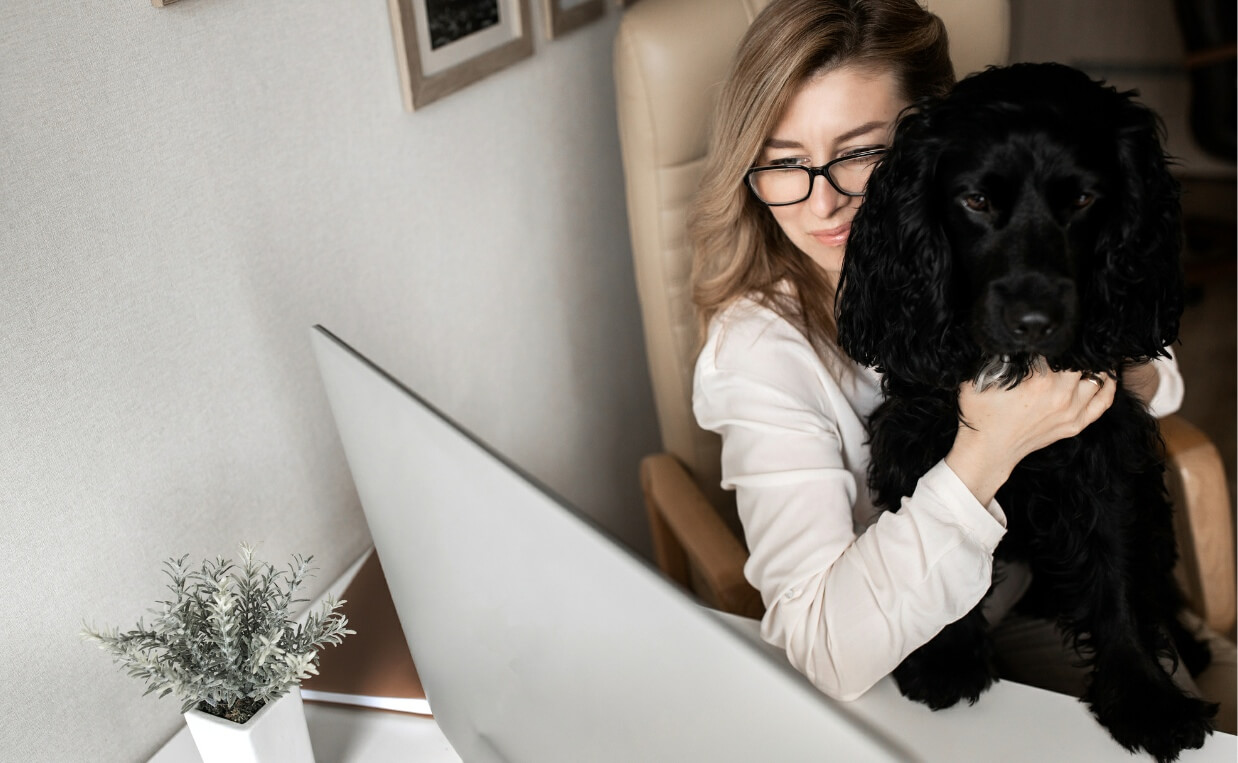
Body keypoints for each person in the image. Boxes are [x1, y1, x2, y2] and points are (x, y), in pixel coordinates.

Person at [689, 0, 1234, 732]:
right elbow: (829, 651)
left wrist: (1090, 380)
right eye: (785, 161)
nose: (824, 200)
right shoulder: (760, 351)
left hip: (1055, 583)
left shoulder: (986, 245)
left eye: (859, 153)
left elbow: (1156, 378)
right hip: (894, 650)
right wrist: (991, 440)